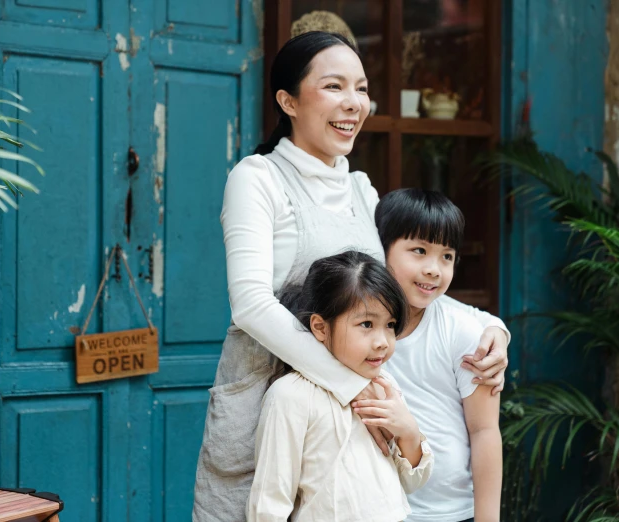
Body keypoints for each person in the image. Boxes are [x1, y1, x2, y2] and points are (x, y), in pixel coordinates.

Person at [192, 31, 509, 522]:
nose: (354, 103)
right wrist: (348, 383)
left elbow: (401, 284)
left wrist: (491, 328)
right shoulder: (256, 178)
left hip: (348, 423)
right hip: (267, 404)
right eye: (334, 86)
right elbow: (251, 304)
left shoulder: (361, 189)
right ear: (288, 101)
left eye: (361, 88)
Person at [247, 251, 433, 521]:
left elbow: (411, 483)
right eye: (366, 324)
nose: (382, 341)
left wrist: (409, 432)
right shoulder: (291, 396)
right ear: (321, 328)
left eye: (390, 325)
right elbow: (269, 501)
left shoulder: (385, 386)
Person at [354, 189, 502, 522]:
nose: (434, 269)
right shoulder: (355, 328)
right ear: (381, 249)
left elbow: (484, 431)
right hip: (377, 509)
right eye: (419, 251)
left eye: (446, 256)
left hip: (450, 512)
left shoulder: (463, 332)